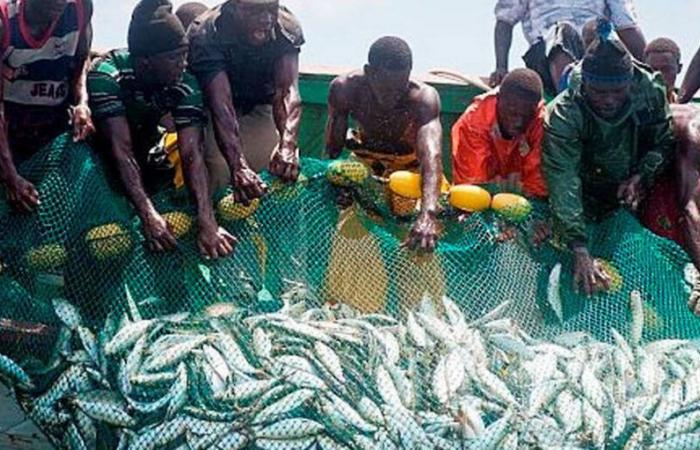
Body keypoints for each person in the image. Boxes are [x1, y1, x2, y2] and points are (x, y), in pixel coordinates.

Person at [88, 0, 235, 259]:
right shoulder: (107, 74)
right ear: (145, 62)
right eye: (175, 57)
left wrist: (206, 219)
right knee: (101, 243)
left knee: (174, 227)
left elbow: (192, 154)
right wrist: (147, 213)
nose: (183, 63)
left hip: (147, 155)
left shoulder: (184, 83)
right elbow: (120, 151)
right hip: (99, 163)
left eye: (185, 54)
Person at [543, 20, 675, 296]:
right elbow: (563, 178)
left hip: (627, 193)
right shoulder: (565, 112)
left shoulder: (650, 92)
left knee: (635, 285)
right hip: (581, 192)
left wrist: (641, 176)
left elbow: (663, 143)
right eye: (600, 92)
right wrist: (579, 249)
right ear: (586, 83)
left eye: (618, 91)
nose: (609, 100)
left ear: (630, 83)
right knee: (568, 282)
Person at [325, 37, 443, 253]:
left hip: (410, 172)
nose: (394, 98)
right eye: (387, 90)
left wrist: (428, 214)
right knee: (350, 239)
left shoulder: (423, 98)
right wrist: (337, 186)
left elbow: (431, 157)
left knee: (420, 244)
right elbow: (332, 152)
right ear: (369, 72)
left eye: (400, 90)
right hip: (365, 167)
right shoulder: (345, 89)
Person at [187, 0, 304, 204]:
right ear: (233, 8)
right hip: (214, 110)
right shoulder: (206, 33)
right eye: (255, 11)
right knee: (221, 169)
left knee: (282, 170)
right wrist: (238, 166)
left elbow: (286, 91)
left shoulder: (285, 26)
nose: (266, 19)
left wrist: (288, 145)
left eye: (271, 9)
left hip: (261, 105)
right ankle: (211, 229)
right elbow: (221, 104)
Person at [0, 0, 94, 212]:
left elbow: (81, 61)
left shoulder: (80, 7)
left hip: (53, 132)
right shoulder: (5, 21)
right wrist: (10, 173)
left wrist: (82, 102)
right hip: (9, 136)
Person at [491, 0, 646, 96]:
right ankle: (568, 98)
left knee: (603, 34)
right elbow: (505, 21)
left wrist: (651, 70)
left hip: (594, 52)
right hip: (545, 55)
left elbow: (627, 27)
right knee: (562, 32)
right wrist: (501, 67)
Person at [451, 68, 547, 199]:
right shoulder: (475, 121)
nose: (519, 122)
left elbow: (537, 186)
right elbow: (473, 184)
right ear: (498, 100)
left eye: (526, 116)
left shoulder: (541, 121)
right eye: (513, 114)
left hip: (518, 195)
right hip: (482, 185)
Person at [644, 38, 682, 103]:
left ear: (679, 68)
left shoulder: (693, 107)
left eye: (666, 69)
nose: (659, 76)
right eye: (653, 70)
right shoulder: (628, 107)